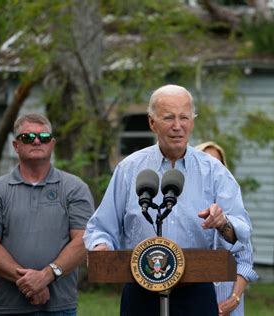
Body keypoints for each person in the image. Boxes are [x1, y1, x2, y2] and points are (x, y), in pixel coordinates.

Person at [83, 84, 252, 315]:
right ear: (152, 122)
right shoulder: (129, 169)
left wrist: (223, 223)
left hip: (196, 292)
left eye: (184, 117)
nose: (177, 126)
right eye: (168, 118)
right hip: (140, 292)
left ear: (192, 121)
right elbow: (101, 227)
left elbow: (241, 232)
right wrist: (101, 247)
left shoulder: (214, 171)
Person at [0, 113, 95, 315]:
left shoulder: (74, 188)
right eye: (28, 137)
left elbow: (83, 240)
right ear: (16, 145)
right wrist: (29, 282)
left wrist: (47, 275)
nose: (37, 141)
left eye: (44, 137)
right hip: (9, 307)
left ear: (52, 143)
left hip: (59, 307)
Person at [195, 141, 259, 316]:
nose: (213, 167)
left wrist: (233, 299)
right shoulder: (187, 211)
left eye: (218, 163)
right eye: (207, 161)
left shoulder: (232, 210)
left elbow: (245, 262)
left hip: (228, 304)